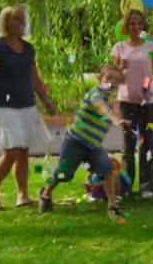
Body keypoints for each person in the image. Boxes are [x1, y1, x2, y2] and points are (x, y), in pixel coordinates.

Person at [0, 5, 56, 211]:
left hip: (26, 105)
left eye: (22, 20)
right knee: (11, 151)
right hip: (4, 106)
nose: (20, 24)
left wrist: (47, 101)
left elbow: (35, 79)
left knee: (23, 151)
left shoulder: (28, 48)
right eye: (15, 20)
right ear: (6, 24)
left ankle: (23, 195)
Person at [37, 65, 128, 220]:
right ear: (100, 79)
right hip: (76, 142)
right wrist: (113, 117)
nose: (112, 82)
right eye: (108, 78)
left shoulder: (110, 100)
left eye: (116, 80)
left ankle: (112, 206)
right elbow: (100, 108)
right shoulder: (95, 94)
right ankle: (45, 194)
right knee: (64, 174)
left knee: (108, 169)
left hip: (94, 146)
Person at [111, 9, 153, 199]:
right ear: (126, 26)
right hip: (126, 102)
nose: (135, 26)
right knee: (128, 146)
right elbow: (114, 76)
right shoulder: (119, 48)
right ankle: (125, 185)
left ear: (144, 26)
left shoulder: (151, 47)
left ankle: (147, 186)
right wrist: (119, 68)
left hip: (148, 103)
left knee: (147, 144)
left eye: (139, 23)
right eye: (132, 23)